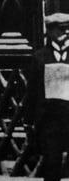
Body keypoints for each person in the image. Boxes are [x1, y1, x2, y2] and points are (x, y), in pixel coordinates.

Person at [25, 12, 69, 181]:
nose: (65, 33)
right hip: (50, 120)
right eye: (61, 29)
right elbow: (32, 92)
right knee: (51, 162)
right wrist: (28, 121)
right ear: (50, 32)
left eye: (67, 29)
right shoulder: (39, 57)